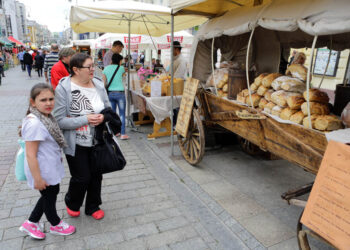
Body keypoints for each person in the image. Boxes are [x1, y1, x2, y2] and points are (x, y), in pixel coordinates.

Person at [54, 53, 112, 220]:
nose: (94, 69)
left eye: (94, 66)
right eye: (89, 67)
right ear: (76, 70)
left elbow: (108, 110)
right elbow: (59, 120)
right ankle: (72, 201)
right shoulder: (64, 88)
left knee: (96, 176)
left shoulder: (99, 85)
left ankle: (93, 206)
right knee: (82, 177)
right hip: (76, 141)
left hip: (98, 140)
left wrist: (104, 117)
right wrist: (84, 119)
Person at [19, 83, 75, 240]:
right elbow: (31, 155)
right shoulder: (35, 123)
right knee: (49, 197)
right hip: (42, 170)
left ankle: (32, 222)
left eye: (51, 99)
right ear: (33, 102)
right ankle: (55, 224)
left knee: (50, 195)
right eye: (43, 100)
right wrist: (37, 178)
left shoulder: (45, 118)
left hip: (49, 167)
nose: (48, 103)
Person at [102, 53, 129, 140]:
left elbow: (103, 83)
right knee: (122, 114)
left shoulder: (105, 69)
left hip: (110, 93)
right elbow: (125, 73)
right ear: (119, 61)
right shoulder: (121, 68)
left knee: (112, 114)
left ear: (111, 60)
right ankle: (123, 133)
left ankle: (114, 132)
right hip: (120, 93)